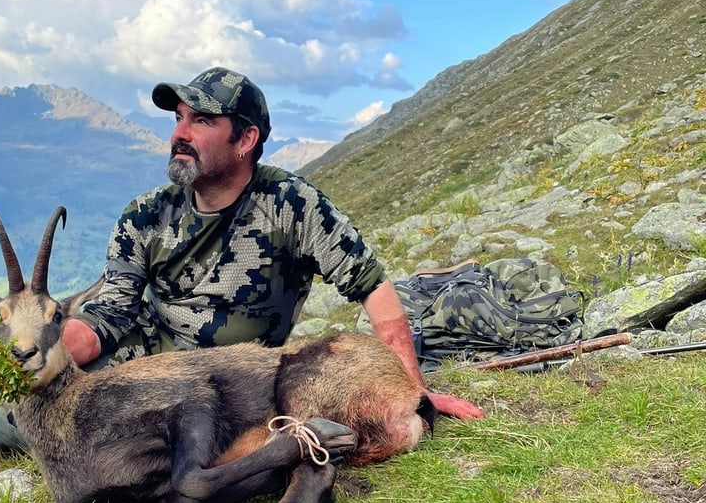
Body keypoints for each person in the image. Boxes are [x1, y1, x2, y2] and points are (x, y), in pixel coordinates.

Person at [59, 66, 482, 422]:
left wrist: (414, 392)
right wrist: (49, 350)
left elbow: (372, 286)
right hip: (149, 365)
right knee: (23, 418)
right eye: (178, 119)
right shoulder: (144, 215)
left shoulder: (291, 205)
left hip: (238, 381)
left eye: (202, 121)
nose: (180, 134)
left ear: (245, 140)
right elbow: (112, 312)